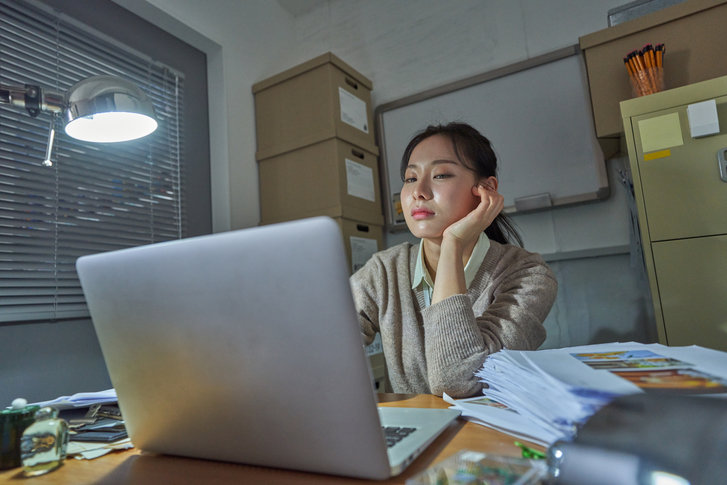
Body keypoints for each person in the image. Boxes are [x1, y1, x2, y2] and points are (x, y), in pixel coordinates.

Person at [350, 122, 557, 398]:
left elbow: (456, 382)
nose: (418, 192)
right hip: (414, 436)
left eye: (441, 175)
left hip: (491, 437)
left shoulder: (527, 275)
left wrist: (453, 244)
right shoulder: (384, 271)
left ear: (485, 190)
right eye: (411, 178)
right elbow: (319, 346)